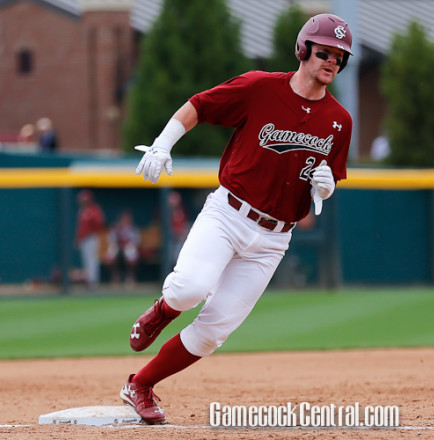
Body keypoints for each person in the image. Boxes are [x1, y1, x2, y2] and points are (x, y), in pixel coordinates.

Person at [120, 13, 353, 424]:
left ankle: (139, 385)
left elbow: (331, 175)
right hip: (229, 214)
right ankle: (163, 310)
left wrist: (326, 186)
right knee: (190, 288)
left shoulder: (340, 120)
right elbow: (200, 105)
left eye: (339, 56)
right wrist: (162, 144)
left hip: (275, 239)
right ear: (303, 50)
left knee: (214, 331)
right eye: (324, 52)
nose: (331, 61)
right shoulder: (261, 87)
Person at [75, 189, 105, 289]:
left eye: (85, 200)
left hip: (92, 237)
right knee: (86, 260)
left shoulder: (94, 209)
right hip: (84, 239)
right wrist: (78, 238)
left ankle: (93, 282)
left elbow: (100, 224)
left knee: (92, 260)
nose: (83, 202)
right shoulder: (82, 211)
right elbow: (80, 227)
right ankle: (88, 281)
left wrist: (91, 218)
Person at [104, 210, 141, 288]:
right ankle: (115, 276)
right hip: (117, 246)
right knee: (110, 255)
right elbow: (111, 239)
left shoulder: (133, 229)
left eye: (127, 219)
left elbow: (136, 241)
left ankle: (130, 276)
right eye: (124, 219)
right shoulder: (116, 228)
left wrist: (127, 244)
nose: (125, 220)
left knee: (131, 254)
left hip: (128, 246)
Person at [167, 191, 189, 268]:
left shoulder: (180, 211)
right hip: (170, 238)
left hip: (179, 239)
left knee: (178, 258)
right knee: (171, 258)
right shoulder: (167, 211)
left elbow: (184, 225)